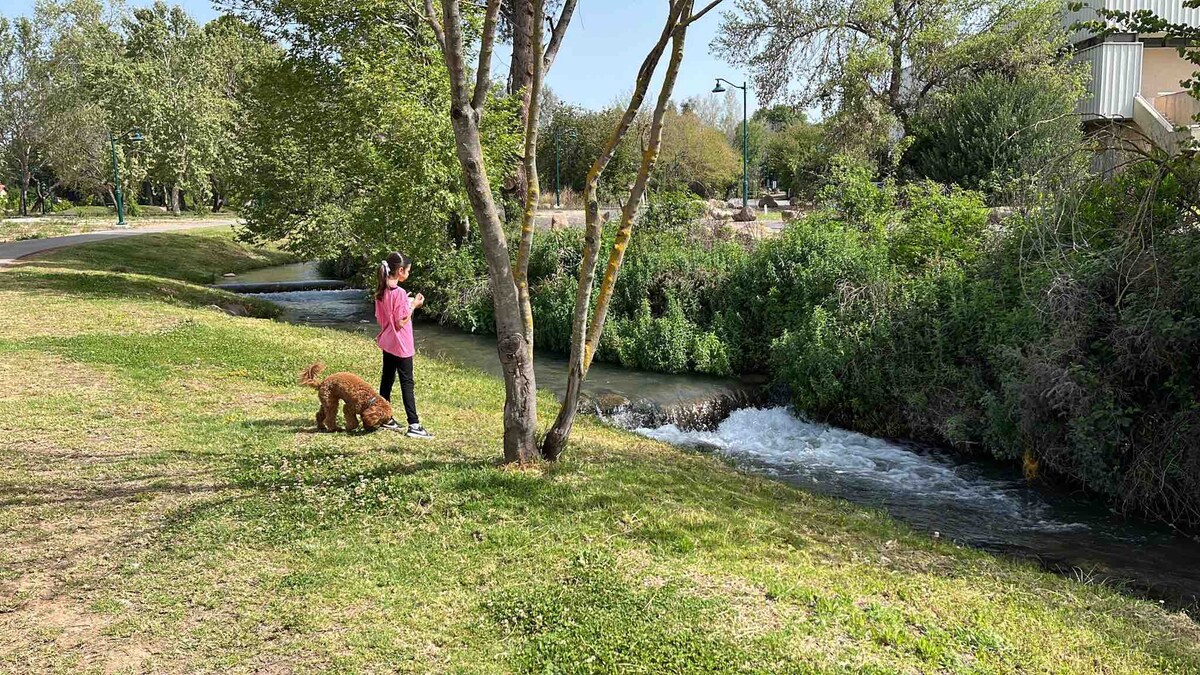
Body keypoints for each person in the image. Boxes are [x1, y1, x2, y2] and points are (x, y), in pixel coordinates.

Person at [374, 251, 433, 439]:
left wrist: (405, 305)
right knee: (407, 383)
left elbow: (382, 317)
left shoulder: (381, 290)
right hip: (401, 344)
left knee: (387, 378)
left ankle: (384, 418)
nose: (408, 273)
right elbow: (401, 322)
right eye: (408, 270)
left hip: (388, 341)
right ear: (400, 271)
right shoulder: (398, 293)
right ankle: (414, 425)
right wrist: (413, 305)